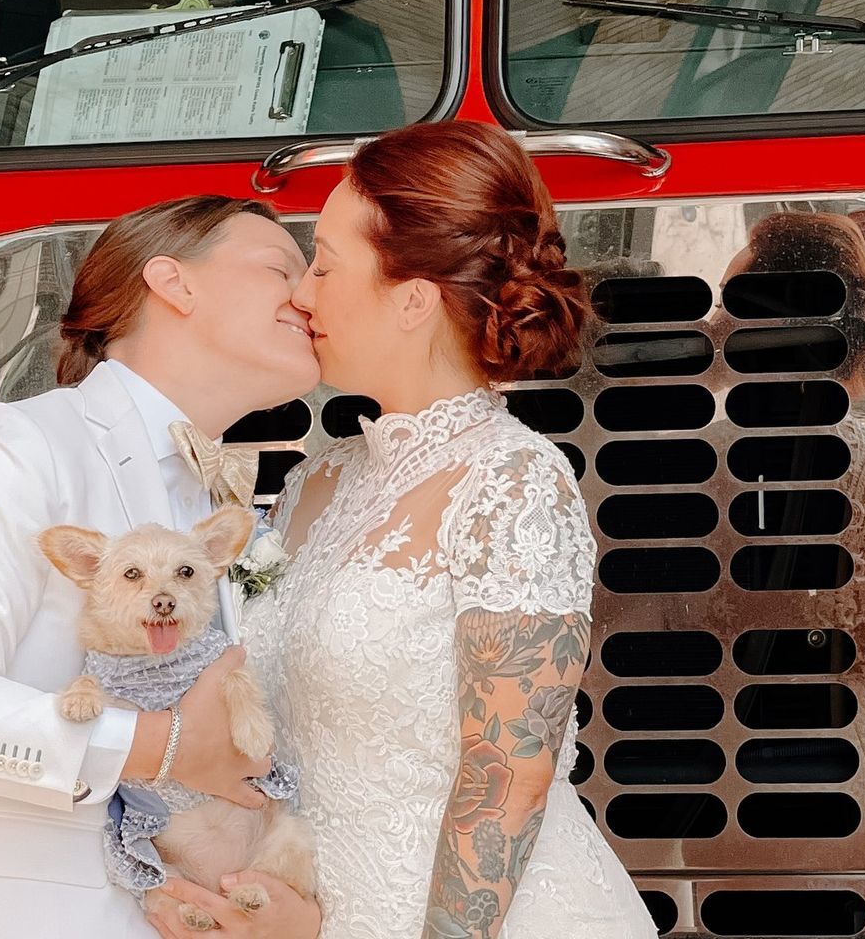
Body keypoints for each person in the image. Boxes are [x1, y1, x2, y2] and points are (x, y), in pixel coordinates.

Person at [158, 122, 656, 939]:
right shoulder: (322, 476)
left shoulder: (512, 481)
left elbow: (510, 778)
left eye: (322, 263)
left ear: (413, 298)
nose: (302, 294)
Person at [0, 196, 325, 939]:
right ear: (175, 284)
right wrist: (157, 746)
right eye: (283, 268)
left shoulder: (224, 501)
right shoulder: (14, 446)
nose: (310, 295)